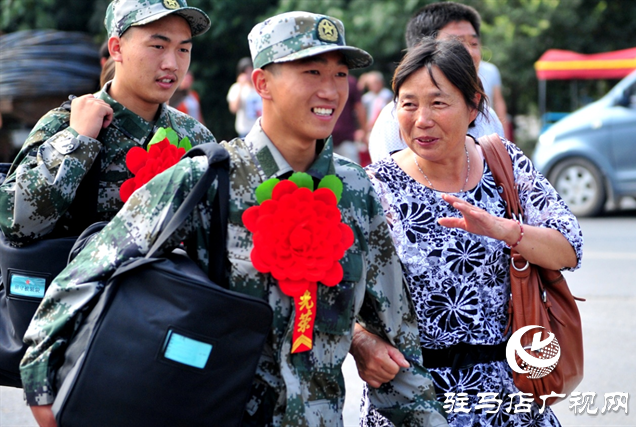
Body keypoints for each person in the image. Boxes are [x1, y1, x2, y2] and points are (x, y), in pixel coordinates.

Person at [19, 11, 448, 427]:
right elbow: (79, 280)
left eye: (339, 74)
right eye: (311, 73)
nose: (331, 91)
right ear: (262, 83)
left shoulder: (354, 191)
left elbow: (398, 342)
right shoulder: (207, 179)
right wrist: (45, 399)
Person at [353, 37, 583, 426]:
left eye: (438, 103)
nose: (421, 119)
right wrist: (360, 342)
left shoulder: (504, 163)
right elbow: (336, 289)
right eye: (408, 104)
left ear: (474, 104)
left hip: (510, 397)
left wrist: (506, 230)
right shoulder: (374, 186)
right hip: (411, 397)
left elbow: (569, 249)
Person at [0, 0, 214, 245]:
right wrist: (77, 141)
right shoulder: (64, 125)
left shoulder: (197, 138)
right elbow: (15, 223)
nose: (172, 64)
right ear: (116, 49)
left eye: (183, 50)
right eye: (158, 46)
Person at [368, 2, 505, 164]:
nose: (469, 53)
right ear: (422, 51)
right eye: (456, 43)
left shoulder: (488, 117)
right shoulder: (393, 123)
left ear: (473, 108)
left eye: (474, 44)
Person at [332, 74, 367, 164]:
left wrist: (364, 130)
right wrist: (364, 131)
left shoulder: (350, 82)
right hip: (340, 134)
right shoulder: (350, 81)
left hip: (344, 135)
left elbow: (359, 108)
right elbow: (359, 108)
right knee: (351, 171)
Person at [227, 57, 262, 137]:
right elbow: (233, 108)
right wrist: (241, 86)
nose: (248, 75)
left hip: (261, 129)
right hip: (245, 131)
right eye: (245, 72)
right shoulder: (236, 88)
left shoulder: (260, 86)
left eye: (250, 71)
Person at [479, 59, 511, 139]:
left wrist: (505, 137)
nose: (470, 51)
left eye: (474, 45)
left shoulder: (491, 70)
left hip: (487, 133)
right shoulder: (452, 70)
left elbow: (498, 101)